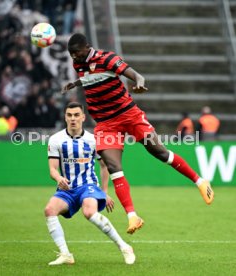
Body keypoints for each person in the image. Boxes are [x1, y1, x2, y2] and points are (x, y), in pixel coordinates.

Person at [63, 33, 215, 234]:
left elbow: (135, 75)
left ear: (87, 47)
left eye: (76, 53)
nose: (74, 57)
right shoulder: (79, 64)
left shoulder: (107, 58)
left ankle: (200, 181)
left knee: (160, 152)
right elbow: (91, 78)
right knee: (113, 166)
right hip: (106, 123)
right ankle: (132, 216)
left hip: (129, 115)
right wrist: (75, 84)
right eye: (71, 54)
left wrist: (140, 83)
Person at [45, 102, 135, 266]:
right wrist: (59, 179)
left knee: (89, 212)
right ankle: (66, 254)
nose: (73, 119)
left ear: (83, 117)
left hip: (88, 186)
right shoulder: (55, 139)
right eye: (69, 115)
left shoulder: (93, 140)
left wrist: (104, 191)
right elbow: (52, 169)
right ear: (65, 117)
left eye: (76, 115)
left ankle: (124, 247)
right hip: (67, 189)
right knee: (49, 210)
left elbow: (104, 166)